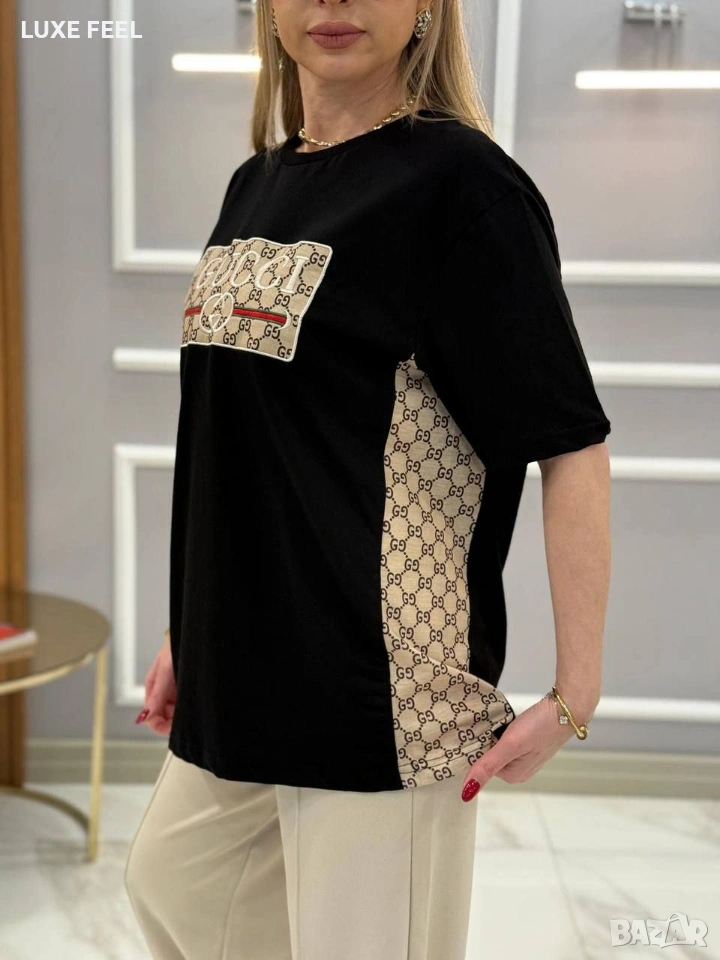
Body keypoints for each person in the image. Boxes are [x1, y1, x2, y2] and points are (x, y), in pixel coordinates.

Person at [124, 1, 612, 958]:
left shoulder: (464, 186)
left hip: (381, 690)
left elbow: (570, 445)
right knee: (176, 887)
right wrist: (194, 625)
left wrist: (576, 694)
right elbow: (246, 437)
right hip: (245, 669)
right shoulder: (257, 183)